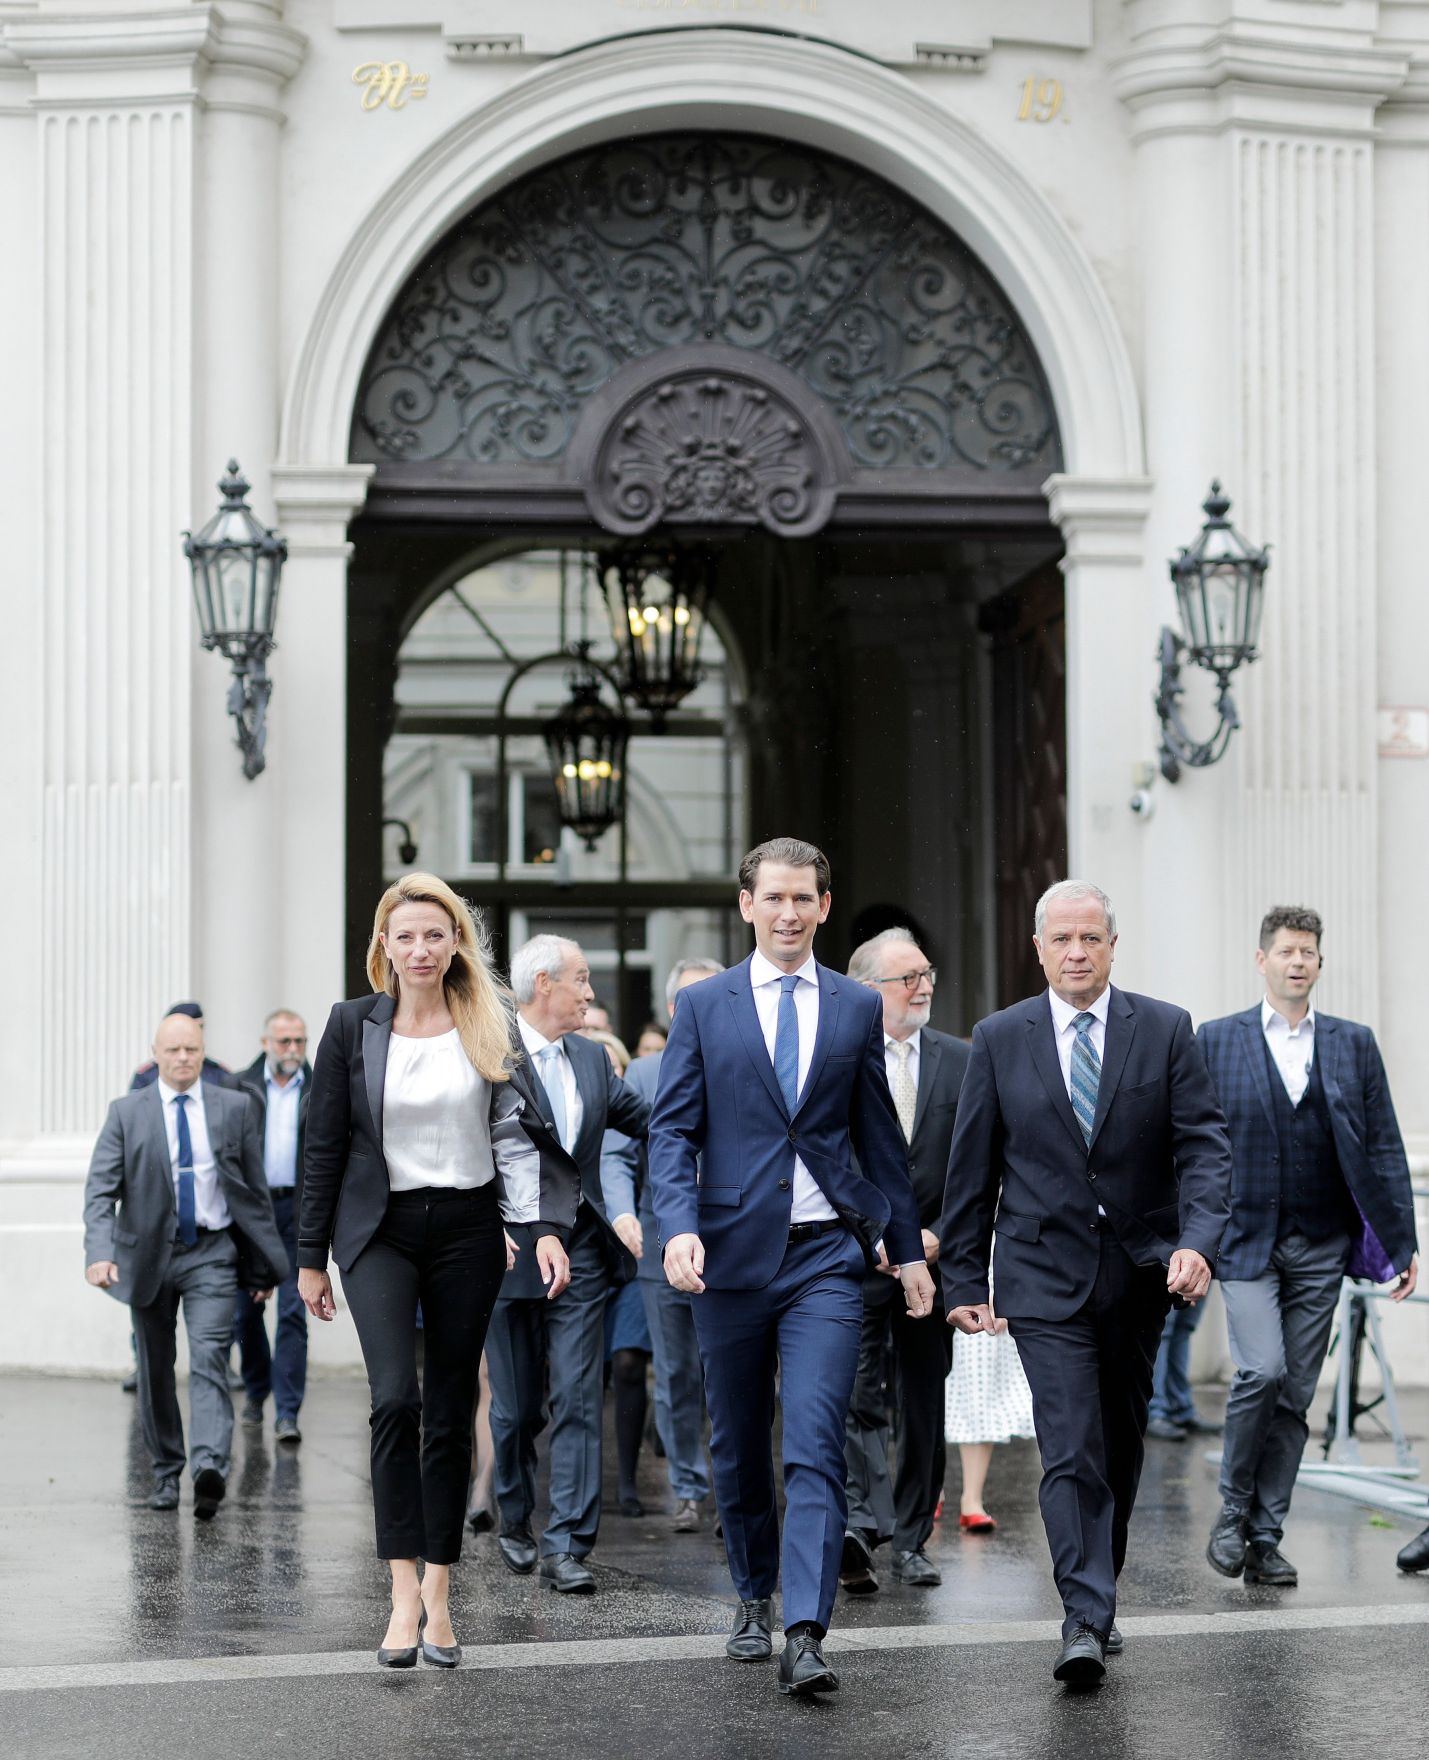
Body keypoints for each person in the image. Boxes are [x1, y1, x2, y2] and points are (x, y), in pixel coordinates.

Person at [649, 838, 934, 1700]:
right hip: (729, 1258)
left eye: (802, 899)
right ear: (745, 906)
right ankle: (749, 1593)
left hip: (824, 1260)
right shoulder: (706, 1007)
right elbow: (671, 1131)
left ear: (821, 904)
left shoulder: (854, 1008)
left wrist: (908, 1248)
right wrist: (675, 1225)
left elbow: (880, 1140)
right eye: (772, 898)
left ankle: (804, 1629)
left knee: (813, 1440)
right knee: (737, 1442)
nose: (787, 913)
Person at [940, 879, 1232, 1688]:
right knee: (1069, 1446)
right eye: (1061, 939)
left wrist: (1197, 1242)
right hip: (1038, 1274)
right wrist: (965, 1274)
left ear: (1112, 945)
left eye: (1090, 939)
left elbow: (1203, 1147)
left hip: (1140, 1273)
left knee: (1118, 1442)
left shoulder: (1164, 1029)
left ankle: (1096, 1591)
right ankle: (1082, 1615)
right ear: (1037, 949)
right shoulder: (1000, 1037)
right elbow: (972, 1168)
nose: (1075, 952)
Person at [297, 874, 576, 1668]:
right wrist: (308, 1259)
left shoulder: (488, 1025)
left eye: (434, 934)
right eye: (405, 935)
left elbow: (520, 1138)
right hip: (378, 1232)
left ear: (456, 943)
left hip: (467, 1230)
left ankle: (441, 1594)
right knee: (395, 1401)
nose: (419, 949)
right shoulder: (351, 1026)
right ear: (382, 945)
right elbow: (322, 1146)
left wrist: (539, 1227)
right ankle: (398, 1594)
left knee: (452, 1412)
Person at [1198, 906, 1419, 1588]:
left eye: (1308, 953)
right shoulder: (1216, 1040)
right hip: (1242, 1241)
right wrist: (1187, 1234)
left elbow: (1382, 1144)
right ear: (1259, 959)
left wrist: (1402, 1241)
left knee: (1294, 1394)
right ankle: (1231, 1514)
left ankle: (1265, 1537)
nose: (1298, 961)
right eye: (1286, 951)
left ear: (1319, 965)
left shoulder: (1352, 1044)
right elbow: (1194, 1143)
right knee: (1259, 1371)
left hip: (1321, 1243)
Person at [485, 935, 650, 1594]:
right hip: (505, 1248)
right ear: (543, 984)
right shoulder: (488, 1055)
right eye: (581, 980)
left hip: (579, 1247)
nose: (589, 993)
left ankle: (568, 1546)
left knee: (580, 1397)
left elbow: (650, 1119)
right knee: (518, 1409)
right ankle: (515, 1517)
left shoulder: (591, 1060)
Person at [83, 1011, 289, 1518]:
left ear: (203, 1053)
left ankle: (209, 1467)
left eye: (191, 1050)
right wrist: (100, 1252)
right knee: (155, 1370)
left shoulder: (234, 1108)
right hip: (147, 1255)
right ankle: (166, 1471)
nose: (182, 1059)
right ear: (155, 1054)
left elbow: (253, 1195)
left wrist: (262, 1267)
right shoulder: (126, 1113)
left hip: (212, 1254)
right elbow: (100, 1190)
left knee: (210, 1357)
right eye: (173, 1050)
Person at [841, 927, 971, 1591]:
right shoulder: (837, 1058)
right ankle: (861, 1527)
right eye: (906, 978)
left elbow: (979, 1167)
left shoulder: (961, 1061)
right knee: (855, 1395)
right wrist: (876, 1240)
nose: (922, 988)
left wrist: (938, 1236)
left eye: (926, 975)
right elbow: (829, 1160)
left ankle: (913, 1538)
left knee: (922, 1403)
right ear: (867, 991)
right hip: (856, 1261)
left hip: (934, 1262)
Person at [603, 959, 724, 1535]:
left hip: (736, 1244)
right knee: (675, 1373)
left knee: (732, 1369)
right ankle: (689, 1487)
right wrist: (624, 1214)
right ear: (675, 1009)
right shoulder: (646, 1074)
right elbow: (619, 1155)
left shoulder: (751, 1061)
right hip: (662, 1243)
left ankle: (733, 1481)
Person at [232, 1010, 311, 1444]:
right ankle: (257, 1388)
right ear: (266, 1043)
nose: (294, 1050)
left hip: (299, 1215)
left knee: (293, 1313)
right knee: (245, 1312)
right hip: (253, 1216)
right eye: (285, 1042)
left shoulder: (320, 1087)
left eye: (299, 1041)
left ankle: (287, 1412)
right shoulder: (240, 1088)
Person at [944, 1315, 1036, 1530]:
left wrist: (1002, 1301)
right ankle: (929, 1493)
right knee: (928, 1397)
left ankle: (972, 1500)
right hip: (940, 1299)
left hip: (987, 1305)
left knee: (980, 1398)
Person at [1145, 1303, 1220, 1441]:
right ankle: (1154, 1411)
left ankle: (1179, 1407)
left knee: (1184, 1327)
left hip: (1206, 1280)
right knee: (1163, 1327)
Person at [130, 1000, 232, 1090]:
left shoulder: (219, 1074)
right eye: (173, 1049)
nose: (183, 1057)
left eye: (198, 1028)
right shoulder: (146, 1076)